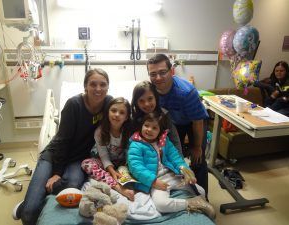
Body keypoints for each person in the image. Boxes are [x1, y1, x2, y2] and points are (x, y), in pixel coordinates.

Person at [12, 68, 113, 225]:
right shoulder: (74, 104)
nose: (98, 89)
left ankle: (40, 198)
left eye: (103, 85)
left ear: (108, 87)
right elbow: (62, 140)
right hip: (54, 155)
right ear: (85, 86)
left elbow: (122, 118)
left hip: (78, 158)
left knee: (72, 184)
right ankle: (26, 205)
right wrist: (57, 173)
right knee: (29, 214)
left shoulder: (108, 104)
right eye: (93, 84)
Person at [127, 112, 215, 219]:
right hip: (157, 180)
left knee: (201, 190)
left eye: (154, 128)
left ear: (160, 131)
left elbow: (175, 157)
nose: (149, 129)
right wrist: (153, 182)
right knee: (161, 204)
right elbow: (136, 168)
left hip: (172, 175)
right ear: (141, 126)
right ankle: (191, 203)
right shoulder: (136, 145)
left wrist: (185, 171)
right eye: (146, 125)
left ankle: (203, 208)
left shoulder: (164, 141)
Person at [146, 53, 209, 195]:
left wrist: (197, 146)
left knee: (197, 159)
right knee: (174, 157)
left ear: (172, 71)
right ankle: (182, 191)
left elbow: (197, 122)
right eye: (153, 74)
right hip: (173, 124)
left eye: (163, 72)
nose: (158, 78)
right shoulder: (151, 91)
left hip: (194, 122)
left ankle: (203, 196)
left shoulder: (186, 92)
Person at [81, 97, 135, 201]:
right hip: (105, 162)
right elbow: (104, 155)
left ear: (127, 117)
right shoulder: (100, 132)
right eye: (113, 110)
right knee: (86, 163)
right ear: (108, 112)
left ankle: (120, 180)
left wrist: (126, 167)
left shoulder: (129, 131)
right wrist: (111, 171)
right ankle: (118, 188)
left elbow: (131, 153)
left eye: (122, 112)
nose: (117, 114)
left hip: (124, 163)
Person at [131, 80, 182, 155]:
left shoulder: (164, 115)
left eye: (150, 99)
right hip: (141, 159)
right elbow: (130, 145)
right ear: (136, 102)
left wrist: (180, 163)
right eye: (141, 101)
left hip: (164, 158)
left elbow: (175, 140)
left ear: (156, 97)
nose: (147, 104)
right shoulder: (134, 118)